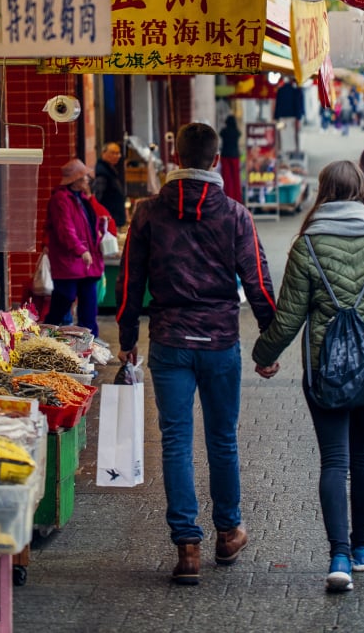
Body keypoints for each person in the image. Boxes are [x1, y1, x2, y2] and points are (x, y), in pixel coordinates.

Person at [252, 160, 364, 594]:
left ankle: (339, 558)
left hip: (323, 372)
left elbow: (290, 316)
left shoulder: (307, 245)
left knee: (334, 460)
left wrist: (264, 356)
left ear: (323, 192)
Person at [116, 122, 277, 586]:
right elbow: (258, 283)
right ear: (214, 158)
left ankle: (187, 547)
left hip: (169, 342)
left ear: (176, 155)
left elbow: (131, 282)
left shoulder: (148, 213)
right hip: (220, 342)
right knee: (223, 441)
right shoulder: (235, 215)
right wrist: (268, 344)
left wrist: (127, 339)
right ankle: (228, 533)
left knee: (175, 442)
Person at [44, 159, 106, 336]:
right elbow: (65, 230)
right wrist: (81, 250)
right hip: (69, 261)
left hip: (86, 262)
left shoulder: (82, 199)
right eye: (85, 177)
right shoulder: (61, 199)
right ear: (76, 179)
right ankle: (48, 333)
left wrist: (101, 231)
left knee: (89, 303)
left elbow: (87, 225)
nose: (87, 180)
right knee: (64, 299)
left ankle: (89, 339)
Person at [93, 142, 127, 233]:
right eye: (113, 153)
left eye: (118, 153)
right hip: (108, 220)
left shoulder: (110, 169)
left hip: (114, 219)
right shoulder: (102, 173)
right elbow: (97, 196)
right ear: (103, 153)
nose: (117, 156)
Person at [219, 114, 242, 203]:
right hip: (235, 156)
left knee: (226, 178)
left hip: (225, 156)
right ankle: (237, 198)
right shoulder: (237, 132)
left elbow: (220, 133)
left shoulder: (223, 131)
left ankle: (227, 196)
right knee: (236, 178)